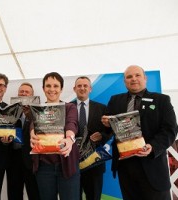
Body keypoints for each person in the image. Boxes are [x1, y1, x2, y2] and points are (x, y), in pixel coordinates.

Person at [101, 65, 178, 200]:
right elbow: (108, 129)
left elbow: (170, 130)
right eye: (129, 77)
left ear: (145, 78)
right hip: (125, 167)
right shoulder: (115, 100)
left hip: (152, 166)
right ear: (124, 81)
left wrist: (152, 146)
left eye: (137, 75)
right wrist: (106, 124)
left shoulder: (161, 100)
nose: (133, 79)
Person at [30, 72, 80, 200]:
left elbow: (71, 123)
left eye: (56, 86)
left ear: (61, 89)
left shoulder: (70, 107)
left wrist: (69, 138)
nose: (52, 89)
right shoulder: (38, 109)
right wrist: (32, 134)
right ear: (43, 88)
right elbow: (33, 126)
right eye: (48, 86)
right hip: (44, 168)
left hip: (67, 165)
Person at [72, 76, 110, 200]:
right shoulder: (66, 108)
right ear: (74, 89)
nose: (82, 88)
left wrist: (102, 136)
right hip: (72, 162)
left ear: (90, 89)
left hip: (94, 163)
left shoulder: (102, 108)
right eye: (79, 86)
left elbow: (110, 131)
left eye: (85, 86)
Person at [6, 82, 40, 200]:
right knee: (14, 194)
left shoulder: (38, 112)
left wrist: (30, 115)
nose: (24, 93)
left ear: (32, 95)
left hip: (31, 159)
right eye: (21, 92)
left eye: (27, 92)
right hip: (13, 159)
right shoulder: (10, 111)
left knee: (34, 193)